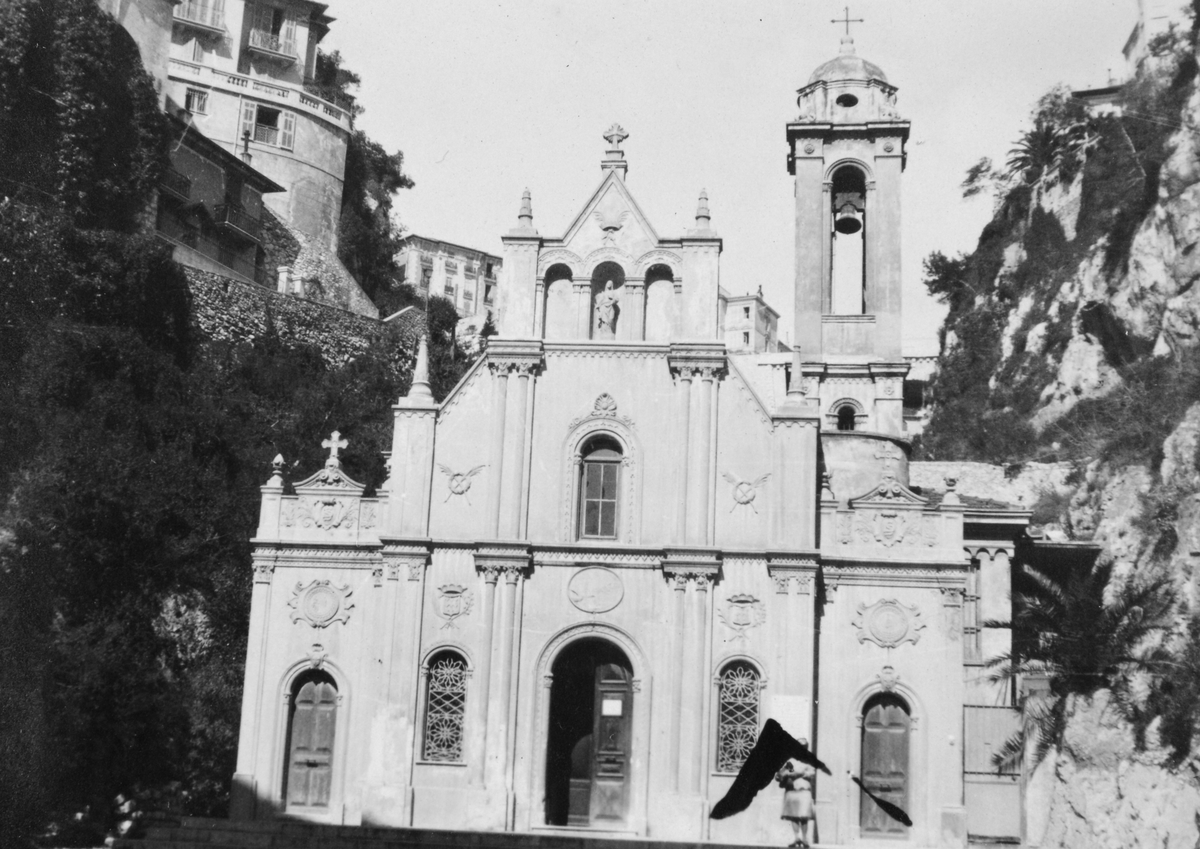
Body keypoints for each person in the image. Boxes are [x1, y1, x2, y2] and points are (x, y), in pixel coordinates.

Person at [776, 752, 815, 848]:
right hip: (792, 790)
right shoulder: (789, 761)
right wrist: (785, 774)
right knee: (793, 815)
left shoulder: (809, 761)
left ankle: (805, 839)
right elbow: (779, 775)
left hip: (804, 790)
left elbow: (811, 773)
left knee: (804, 816)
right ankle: (797, 837)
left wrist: (799, 773)